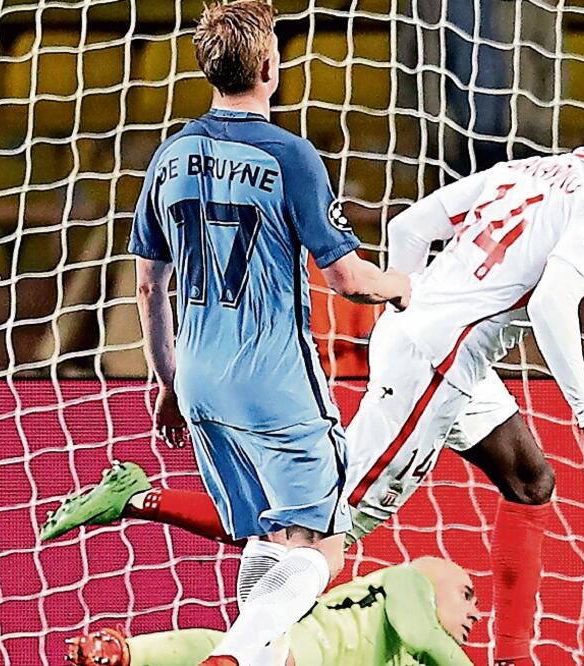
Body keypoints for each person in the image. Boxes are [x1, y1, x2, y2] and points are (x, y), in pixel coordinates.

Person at [44, 98, 584, 666]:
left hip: (439, 346)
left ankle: (512, 658)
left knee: (531, 481)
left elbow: (408, 229)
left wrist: (409, 317)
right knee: (322, 528)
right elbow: (551, 306)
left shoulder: (527, 170)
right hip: (438, 362)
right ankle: (141, 502)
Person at [125, 1, 410, 664]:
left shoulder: (169, 157)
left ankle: (254, 658)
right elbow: (349, 280)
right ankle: (231, 654)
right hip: (275, 381)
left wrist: (168, 383)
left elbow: (148, 288)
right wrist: (401, 285)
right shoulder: (289, 154)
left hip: (199, 384)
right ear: (266, 67)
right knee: (320, 548)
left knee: (263, 539)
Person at [62, 557, 478, 666]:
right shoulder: (406, 580)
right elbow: (424, 636)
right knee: (256, 656)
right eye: (465, 594)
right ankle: (129, 653)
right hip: (310, 645)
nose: (476, 614)